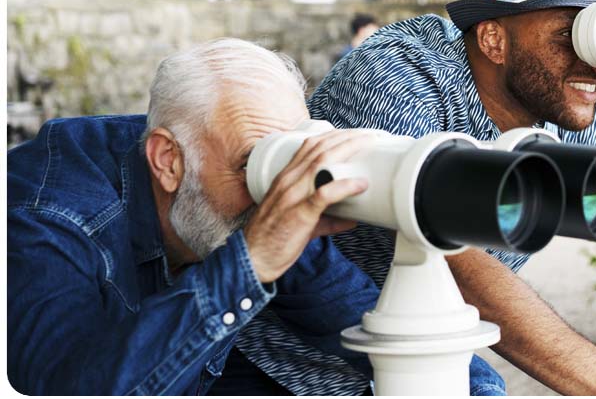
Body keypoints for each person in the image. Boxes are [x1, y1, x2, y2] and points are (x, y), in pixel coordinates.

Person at [238, 0, 596, 395]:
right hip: (280, 357)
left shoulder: (567, 94)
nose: (591, 62)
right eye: (568, 34)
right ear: (493, 41)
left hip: (416, 346)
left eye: (592, 34)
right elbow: (462, 270)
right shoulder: (398, 77)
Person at [6, 38, 504, 396]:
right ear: (169, 162)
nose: (274, 191)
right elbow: (63, 388)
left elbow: (365, 322)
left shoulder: (249, 191)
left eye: (286, 157)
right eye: (253, 165)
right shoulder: (49, 214)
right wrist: (252, 260)